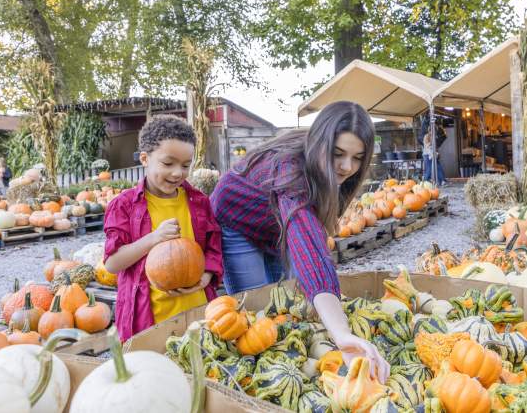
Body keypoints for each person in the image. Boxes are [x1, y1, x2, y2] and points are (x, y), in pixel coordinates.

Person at [210, 101, 390, 383]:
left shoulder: (329, 172)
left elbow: (310, 236)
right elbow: (310, 249)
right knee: (258, 311)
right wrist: (342, 334)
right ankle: (258, 382)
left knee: (290, 301)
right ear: (321, 143)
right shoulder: (291, 169)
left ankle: (293, 366)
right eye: (338, 154)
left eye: (357, 158)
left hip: (275, 225)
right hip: (237, 223)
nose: (347, 166)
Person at [103, 115, 223, 341]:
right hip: (149, 320)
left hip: (198, 313)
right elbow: (112, 263)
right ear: (145, 158)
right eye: (168, 164)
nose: (178, 172)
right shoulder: (124, 206)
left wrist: (206, 277)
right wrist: (153, 238)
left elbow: (213, 249)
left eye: (186, 165)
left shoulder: (199, 202)